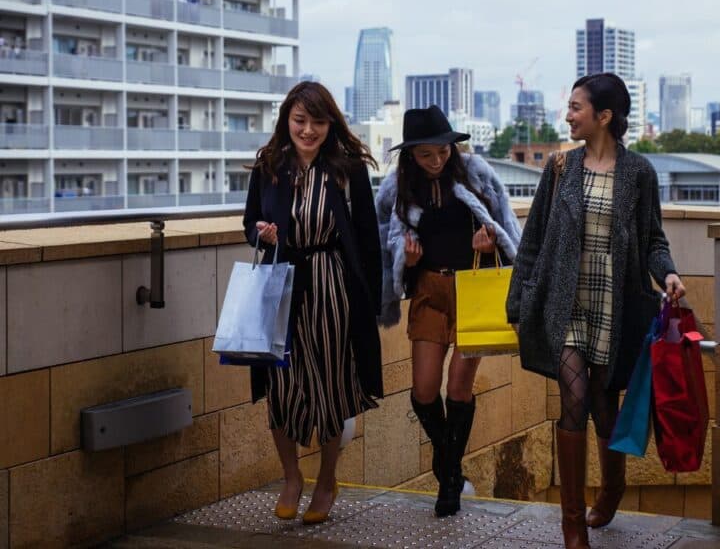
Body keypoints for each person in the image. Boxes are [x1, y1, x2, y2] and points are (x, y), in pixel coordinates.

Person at [507, 73, 686, 549]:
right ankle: (572, 524)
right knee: (574, 399)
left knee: (606, 406)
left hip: (614, 303)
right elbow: (533, 239)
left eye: (576, 107)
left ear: (603, 116)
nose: (567, 116)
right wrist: (518, 303)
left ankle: (612, 489)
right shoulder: (560, 168)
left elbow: (653, 240)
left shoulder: (639, 173)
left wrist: (668, 273)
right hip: (565, 303)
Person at [243, 81, 383, 525]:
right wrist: (261, 234)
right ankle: (291, 477)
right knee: (279, 385)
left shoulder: (347, 169)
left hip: (332, 283)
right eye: (300, 120)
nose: (308, 130)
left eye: (317, 122)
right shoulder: (269, 165)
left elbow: (368, 237)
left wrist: (373, 300)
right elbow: (249, 222)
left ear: (330, 124)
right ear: (287, 119)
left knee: (331, 384)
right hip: (281, 284)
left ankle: (326, 481)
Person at [376, 105, 522, 517]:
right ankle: (450, 464)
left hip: (473, 290)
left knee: (459, 387)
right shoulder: (397, 188)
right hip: (429, 291)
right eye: (426, 154)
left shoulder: (476, 174)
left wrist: (489, 245)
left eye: (443, 151)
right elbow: (385, 242)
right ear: (410, 154)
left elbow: (508, 230)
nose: (437, 160)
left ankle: (448, 482)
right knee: (423, 390)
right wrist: (405, 257)